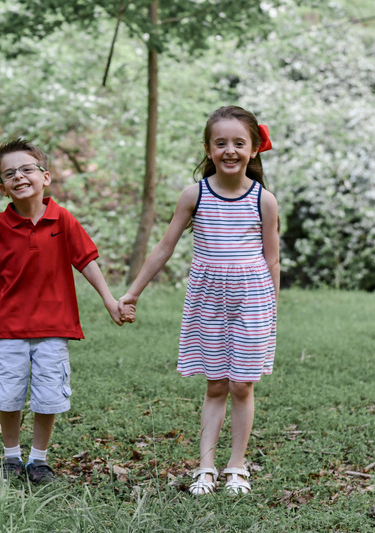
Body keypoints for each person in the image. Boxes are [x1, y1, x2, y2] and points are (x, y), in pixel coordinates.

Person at [0, 139, 133, 484]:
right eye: (10, 174)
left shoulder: (62, 219)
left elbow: (86, 262)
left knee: (47, 397)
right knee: (7, 395)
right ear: (2, 188)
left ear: (46, 177)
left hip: (55, 327)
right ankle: (11, 457)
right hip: (10, 327)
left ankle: (39, 460)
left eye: (27, 169)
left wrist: (110, 300)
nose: (19, 177)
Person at [119, 106, 279, 495]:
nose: (229, 150)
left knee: (242, 385)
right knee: (216, 385)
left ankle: (236, 466)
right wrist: (132, 291)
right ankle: (205, 467)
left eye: (239, 143)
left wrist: (271, 314)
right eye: (220, 143)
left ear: (254, 149)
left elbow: (272, 258)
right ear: (208, 149)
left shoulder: (264, 200)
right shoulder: (195, 195)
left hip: (252, 301)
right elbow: (164, 248)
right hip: (209, 300)